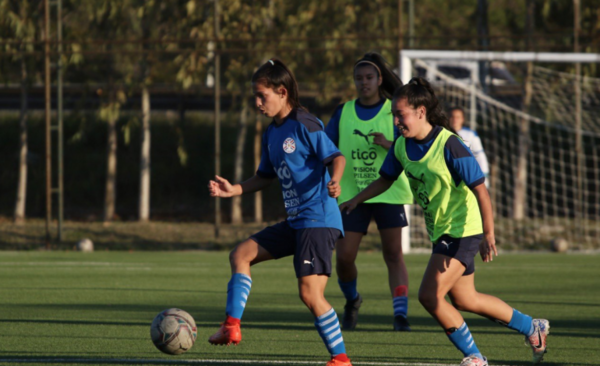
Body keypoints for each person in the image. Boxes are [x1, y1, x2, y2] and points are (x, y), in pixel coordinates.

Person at [339, 77, 549, 366]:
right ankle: (531, 327)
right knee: (466, 300)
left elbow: (480, 189)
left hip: (462, 228)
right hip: (441, 232)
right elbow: (385, 180)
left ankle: (475, 357)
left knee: (429, 295)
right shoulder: (401, 145)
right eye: (394, 115)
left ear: (421, 112)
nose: (397, 121)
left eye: (401, 115)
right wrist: (357, 199)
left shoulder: (449, 143)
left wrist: (489, 234)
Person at [207, 58, 353, 366]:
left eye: (263, 96)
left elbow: (335, 157)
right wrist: (235, 189)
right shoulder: (271, 134)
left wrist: (336, 180)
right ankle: (231, 327)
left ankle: (340, 359)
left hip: (319, 219)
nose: (257, 103)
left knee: (310, 294)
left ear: (283, 92)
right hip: (297, 221)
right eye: (255, 97)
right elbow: (264, 176)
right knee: (241, 254)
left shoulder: (304, 122)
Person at [324, 52, 413, 331]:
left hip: (389, 191)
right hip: (352, 195)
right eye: (359, 78)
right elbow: (326, 150)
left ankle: (400, 315)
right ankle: (352, 300)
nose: (364, 83)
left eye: (369, 78)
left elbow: (409, 148)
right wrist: (331, 179)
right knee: (345, 257)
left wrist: (389, 143)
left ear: (379, 80)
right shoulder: (343, 111)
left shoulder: (394, 110)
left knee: (393, 254)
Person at [449, 107, 490, 188]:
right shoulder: (442, 133)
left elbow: (479, 155)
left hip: (466, 175)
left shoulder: (470, 134)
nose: (455, 120)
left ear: (463, 119)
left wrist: (484, 174)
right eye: (452, 116)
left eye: (458, 117)